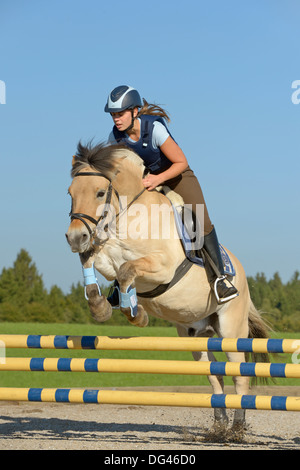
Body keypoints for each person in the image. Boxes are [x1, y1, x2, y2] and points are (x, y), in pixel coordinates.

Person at [104, 85, 238, 304]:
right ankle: (120, 286)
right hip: (146, 182)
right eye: (113, 115)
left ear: (135, 111)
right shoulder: (114, 137)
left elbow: (181, 162)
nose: (116, 119)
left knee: (198, 218)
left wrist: (158, 179)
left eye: (120, 114)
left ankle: (220, 279)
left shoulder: (154, 129)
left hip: (177, 176)